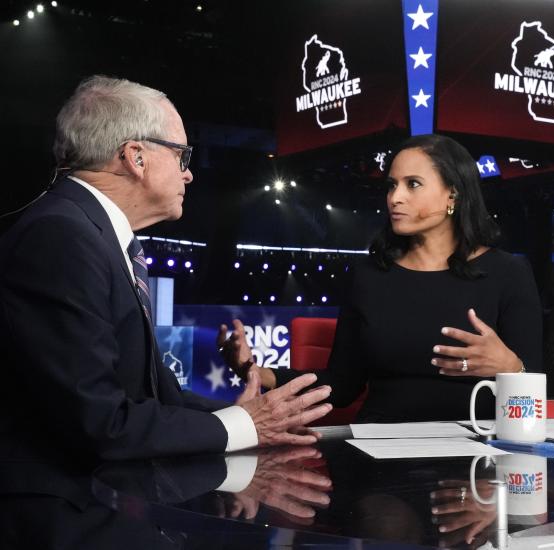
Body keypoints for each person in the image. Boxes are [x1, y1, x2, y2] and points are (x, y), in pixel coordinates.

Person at [0, 76, 333, 506]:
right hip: (61, 514)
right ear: (135, 156)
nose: (190, 173)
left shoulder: (87, 232)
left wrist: (243, 416)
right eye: (181, 155)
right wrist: (244, 425)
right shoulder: (60, 236)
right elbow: (99, 422)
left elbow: (150, 396)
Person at [219, 134, 542, 422]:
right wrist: (255, 371)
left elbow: (536, 390)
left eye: (412, 184)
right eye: (391, 185)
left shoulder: (508, 272)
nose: (395, 197)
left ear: (452, 196)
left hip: (477, 455)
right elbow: (342, 386)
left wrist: (512, 368)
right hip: (381, 454)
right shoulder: (368, 276)